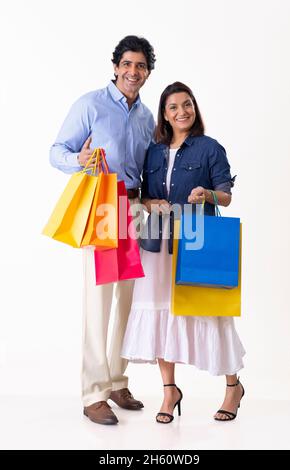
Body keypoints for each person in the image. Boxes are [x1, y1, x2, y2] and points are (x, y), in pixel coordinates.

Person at [121, 82, 246, 423]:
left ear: (195, 107)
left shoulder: (209, 148)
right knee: (161, 311)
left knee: (210, 310)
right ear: (164, 114)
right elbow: (145, 196)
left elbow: (226, 196)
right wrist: (150, 202)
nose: (182, 112)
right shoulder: (153, 151)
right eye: (173, 107)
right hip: (158, 239)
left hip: (197, 239)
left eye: (187, 104)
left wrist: (206, 194)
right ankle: (169, 391)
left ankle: (233, 386)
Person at [49, 36, 156, 425]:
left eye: (141, 66)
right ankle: (93, 392)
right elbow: (55, 150)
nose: (133, 72)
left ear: (147, 72)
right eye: (127, 64)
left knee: (128, 301)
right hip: (102, 205)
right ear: (115, 67)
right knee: (99, 300)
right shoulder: (90, 105)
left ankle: (116, 380)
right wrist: (77, 159)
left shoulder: (147, 117)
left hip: (135, 206)